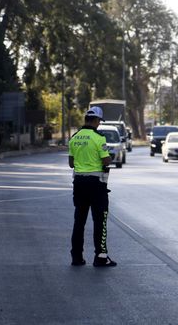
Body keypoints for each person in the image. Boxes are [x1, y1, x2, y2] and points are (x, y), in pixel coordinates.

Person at [68, 106, 117, 267]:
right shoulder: (98, 138)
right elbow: (106, 160)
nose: (99, 125)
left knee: (79, 221)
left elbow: (71, 163)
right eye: (99, 122)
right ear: (96, 121)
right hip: (96, 185)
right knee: (100, 221)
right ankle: (101, 257)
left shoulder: (74, 138)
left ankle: (76, 257)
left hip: (79, 184)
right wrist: (106, 157)